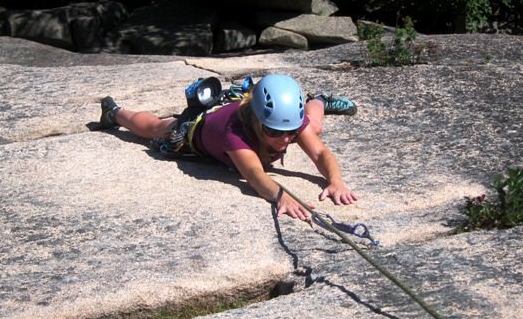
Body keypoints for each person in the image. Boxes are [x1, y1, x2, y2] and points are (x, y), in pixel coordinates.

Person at [99, 74, 358, 220]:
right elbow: (255, 176)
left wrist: (336, 181)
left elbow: (321, 152)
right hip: (198, 129)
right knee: (155, 128)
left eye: (290, 132)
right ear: (257, 120)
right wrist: (283, 196)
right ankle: (115, 112)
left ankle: (320, 100)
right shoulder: (235, 133)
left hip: (261, 113)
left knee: (313, 128)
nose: (285, 139)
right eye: (274, 132)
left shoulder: (284, 119)